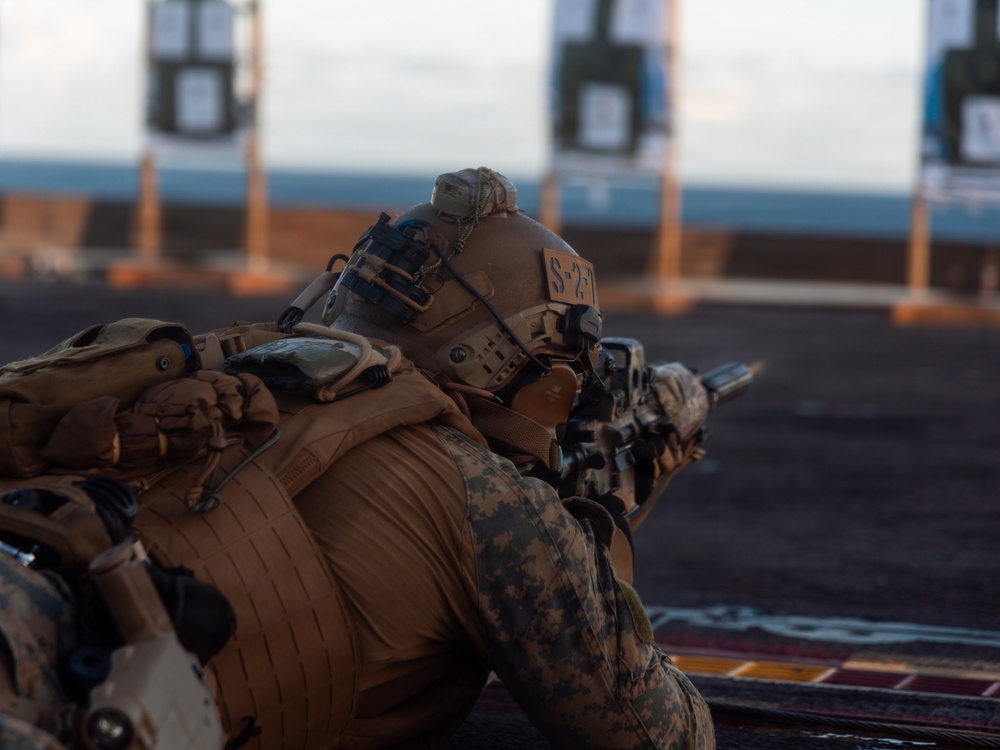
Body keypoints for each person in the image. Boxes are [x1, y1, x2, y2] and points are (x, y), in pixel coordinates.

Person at [0, 167, 715, 749]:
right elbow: (653, 733)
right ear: (512, 361)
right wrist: (594, 539)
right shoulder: (490, 503)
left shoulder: (225, 366)